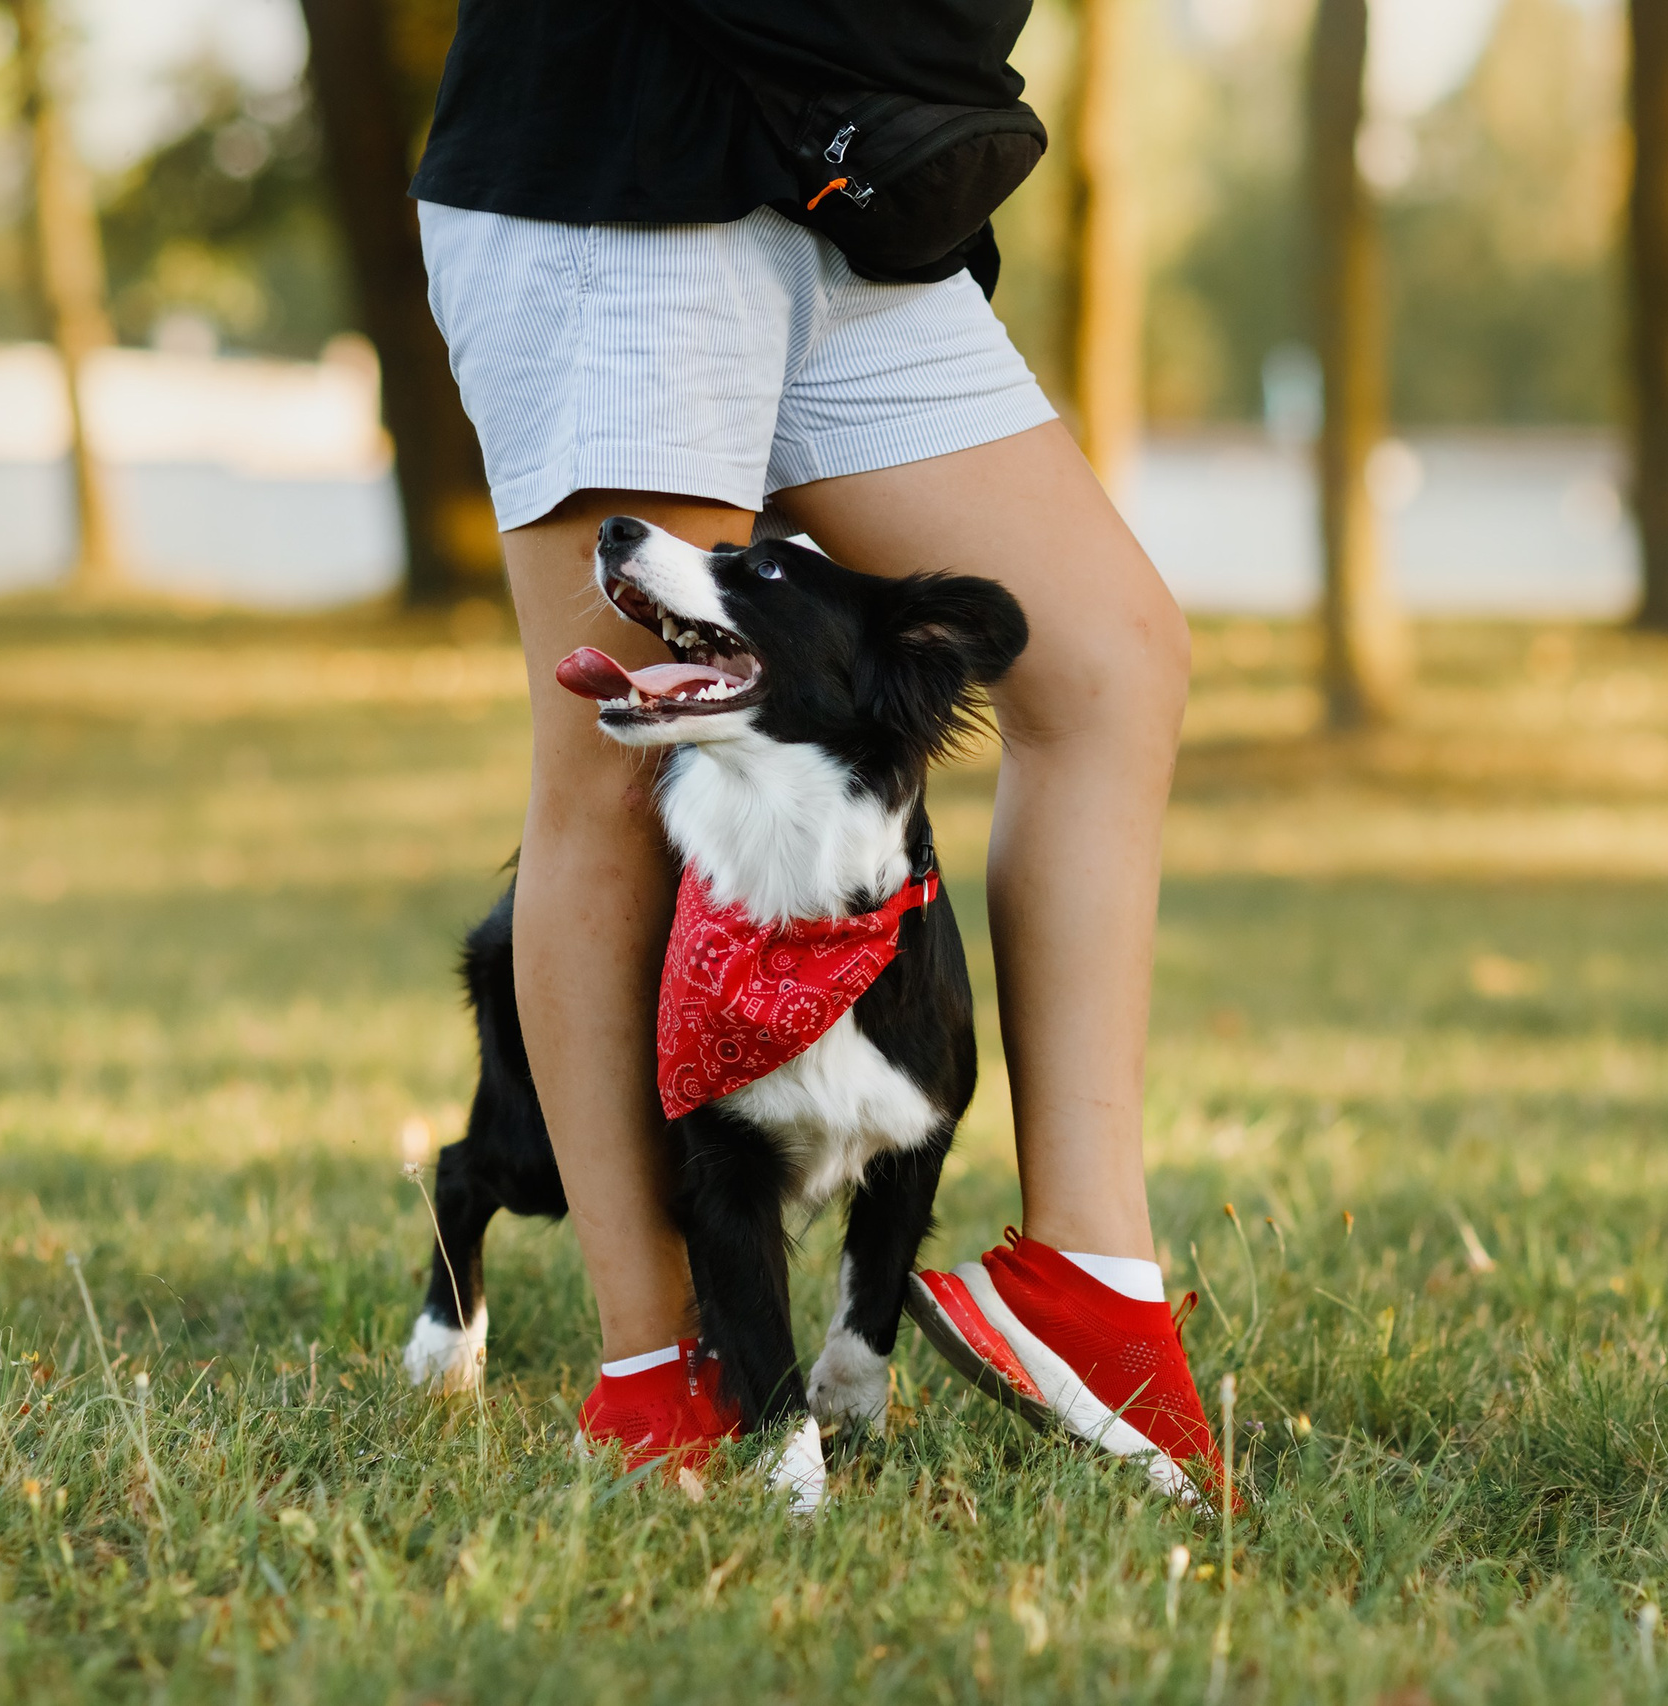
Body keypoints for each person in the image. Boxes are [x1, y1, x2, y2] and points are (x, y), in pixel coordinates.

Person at [410, 0, 1216, 1488]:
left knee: (1108, 660)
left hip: (854, 200)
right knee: (620, 750)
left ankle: (1087, 1279)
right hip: (631, 163)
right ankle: (656, 1372)